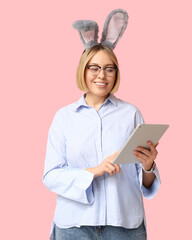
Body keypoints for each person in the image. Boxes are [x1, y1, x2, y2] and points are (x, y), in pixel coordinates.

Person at [43, 10, 161, 240]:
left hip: (124, 227)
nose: (102, 76)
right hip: (74, 227)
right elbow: (51, 176)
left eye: (109, 69)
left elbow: (144, 181)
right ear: (83, 70)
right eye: (94, 68)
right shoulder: (64, 117)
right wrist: (93, 172)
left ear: (116, 73)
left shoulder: (131, 114)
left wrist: (149, 166)